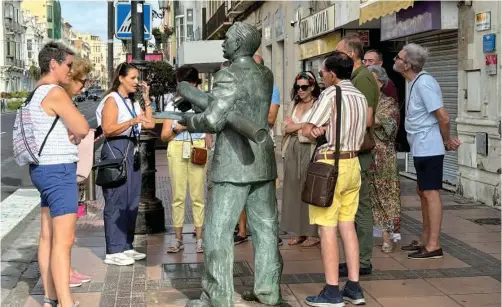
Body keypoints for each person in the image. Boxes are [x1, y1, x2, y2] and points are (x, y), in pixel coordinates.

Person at [178, 22, 283, 307]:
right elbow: (236, 107)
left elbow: (213, 120)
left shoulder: (228, 75)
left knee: (217, 231)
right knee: (266, 230)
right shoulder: (265, 73)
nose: (223, 42)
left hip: (234, 164)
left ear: (238, 45)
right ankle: (268, 290)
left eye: (226, 39)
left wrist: (190, 121)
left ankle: (218, 296)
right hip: (261, 161)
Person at [302, 51, 368, 306]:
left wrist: (315, 131)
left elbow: (308, 127)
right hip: (353, 164)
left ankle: (331, 291)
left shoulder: (331, 93)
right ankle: (354, 286)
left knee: (327, 228)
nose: (322, 77)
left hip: (331, 164)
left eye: (321, 73)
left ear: (331, 74)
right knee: (347, 226)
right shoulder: (359, 96)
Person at [28, 42, 89, 307]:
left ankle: (49, 297)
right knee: (64, 242)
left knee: (47, 237)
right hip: (59, 170)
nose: (70, 70)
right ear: (53, 64)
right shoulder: (55, 92)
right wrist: (76, 133)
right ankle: (66, 302)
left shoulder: (35, 93)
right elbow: (83, 127)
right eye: (67, 65)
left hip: (41, 170)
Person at [393, 43, 460, 259]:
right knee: (422, 192)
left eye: (399, 57)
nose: (395, 59)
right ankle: (424, 238)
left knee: (431, 194)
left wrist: (447, 140)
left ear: (408, 64)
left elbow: (443, 116)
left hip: (429, 147)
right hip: (420, 147)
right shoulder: (413, 82)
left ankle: (434, 245)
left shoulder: (425, 83)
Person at [96, 62, 155, 266]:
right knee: (116, 200)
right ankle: (113, 250)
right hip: (115, 149)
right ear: (121, 78)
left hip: (131, 150)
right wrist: (131, 122)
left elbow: (149, 123)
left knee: (131, 200)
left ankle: (126, 246)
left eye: (137, 78)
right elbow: (108, 129)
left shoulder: (131, 101)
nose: (136, 82)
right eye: (133, 78)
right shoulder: (112, 100)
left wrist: (146, 98)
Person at [336, 35, 379, 277]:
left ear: (351, 54)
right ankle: (356, 259)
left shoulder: (363, 78)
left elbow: (368, 117)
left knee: (361, 209)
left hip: (359, 151)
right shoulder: (355, 76)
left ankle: (363, 260)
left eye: (338, 52)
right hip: (351, 150)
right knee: (351, 210)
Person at [160, 65, 211, 254]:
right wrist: (177, 129)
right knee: (178, 197)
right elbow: (164, 135)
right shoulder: (172, 104)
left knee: (198, 196)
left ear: (194, 83)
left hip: (197, 146)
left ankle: (200, 239)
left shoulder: (204, 101)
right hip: (177, 147)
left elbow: (211, 125)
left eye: (188, 84)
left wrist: (205, 131)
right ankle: (178, 238)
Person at [234, 54, 283, 246]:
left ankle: (271, 231)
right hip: (242, 143)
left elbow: (270, 118)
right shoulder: (239, 88)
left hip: (262, 143)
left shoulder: (272, 89)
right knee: (242, 188)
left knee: (267, 190)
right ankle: (243, 230)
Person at [62, 57, 94, 287]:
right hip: (61, 169)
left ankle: (68, 269)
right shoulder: (61, 100)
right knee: (62, 230)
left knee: (68, 227)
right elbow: (78, 128)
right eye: (81, 82)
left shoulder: (68, 101)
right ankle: (64, 275)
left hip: (68, 166)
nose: (84, 86)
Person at [281, 71, 321, 247]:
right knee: (293, 189)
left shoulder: (318, 105)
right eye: (298, 87)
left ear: (312, 87)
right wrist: (303, 125)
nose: (300, 90)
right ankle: (299, 232)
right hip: (291, 149)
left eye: (304, 87)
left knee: (309, 189)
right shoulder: (293, 104)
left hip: (309, 149)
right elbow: (285, 128)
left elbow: (314, 130)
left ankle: (313, 232)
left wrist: (296, 127)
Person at [367, 65, 402, 253]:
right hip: (365, 154)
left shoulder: (389, 103)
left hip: (383, 157)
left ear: (380, 83)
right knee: (368, 196)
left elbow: (382, 123)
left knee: (386, 196)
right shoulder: (364, 101)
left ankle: (388, 237)